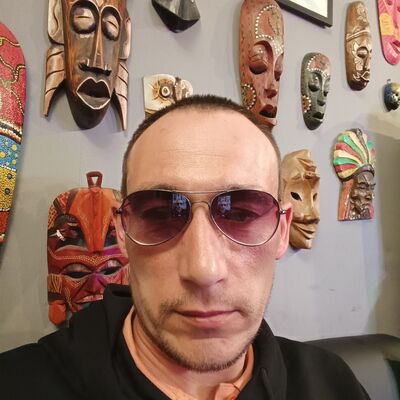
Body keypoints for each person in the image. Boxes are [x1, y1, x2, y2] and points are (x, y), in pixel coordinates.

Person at [0, 95, 369, 399]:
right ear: (122, 230)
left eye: (241, 213)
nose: (204, 270)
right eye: (161, 214)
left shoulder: (332, 385)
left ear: (281, 230)